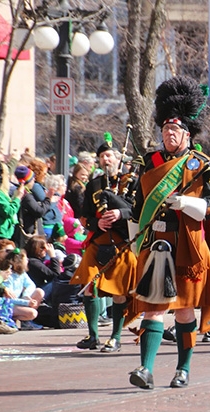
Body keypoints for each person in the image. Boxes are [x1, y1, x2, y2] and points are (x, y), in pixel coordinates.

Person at [128, 76, 210, 389]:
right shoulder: (150, 162)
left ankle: (183, 369)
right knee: (152, 309)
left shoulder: (202, 166)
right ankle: (145, 369)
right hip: (156, 244)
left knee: (183, 310)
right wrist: (134, 241)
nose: (169, 135)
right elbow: (138, 205)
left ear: (187, 133)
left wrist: (185, 202)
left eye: (175, 130)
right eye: (166, 130)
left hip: (187, 245)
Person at [70, 139, 138, 354]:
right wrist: (96, 223)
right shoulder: (93, 185)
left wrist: (120, 213)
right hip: (98, 241)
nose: (105, 159)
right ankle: (93, 336)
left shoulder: (133, 183)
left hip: (123, 243)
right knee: (88, 287)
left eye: (109, 156)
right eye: (102, 157)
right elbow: (84, 216)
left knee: (118, 292)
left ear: (119, 159)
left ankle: (115, 337)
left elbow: (139, 211)